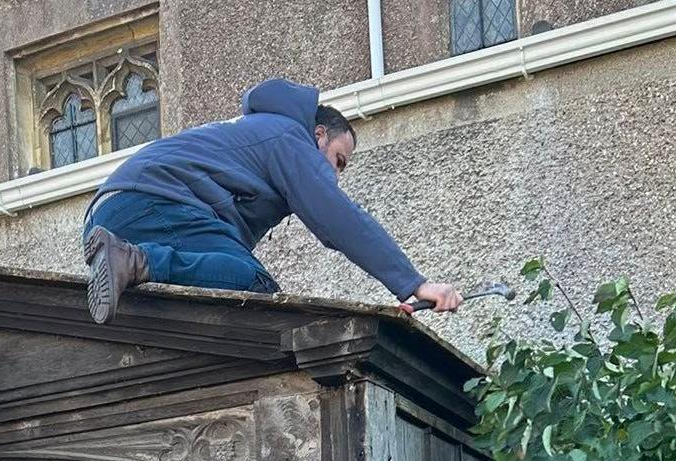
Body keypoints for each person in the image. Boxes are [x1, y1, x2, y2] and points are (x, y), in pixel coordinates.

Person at [83, 78, 463, 324]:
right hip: (154, 202)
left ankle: (126, 259)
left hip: (113, 211)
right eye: (338, 161)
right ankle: (134, 259)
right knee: (256, 283)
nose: (334, 176)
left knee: (228, 280)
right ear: (318, 135)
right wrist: (414, 283)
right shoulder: (288, 138)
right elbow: (340, 220)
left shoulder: (256, 138)